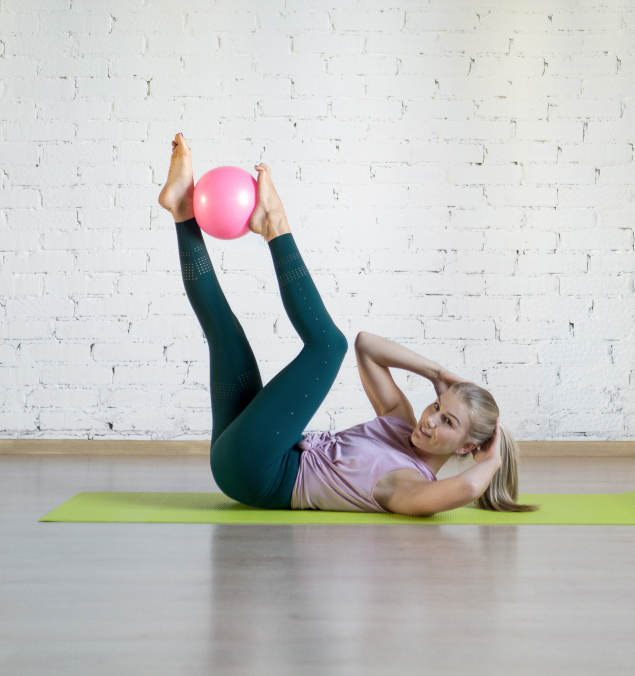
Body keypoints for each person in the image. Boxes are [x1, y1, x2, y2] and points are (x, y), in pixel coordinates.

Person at [158, 134, 536, 516]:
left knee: (328, 347)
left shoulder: (408, 484)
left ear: (465, 447)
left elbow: (469, 485)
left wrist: (492, 460)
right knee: (224, 331)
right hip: (255, 452)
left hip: (260, 472)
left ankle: (275, 224)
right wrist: (435, 372)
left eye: (447, 421)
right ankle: (182, 210)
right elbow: (367, 346)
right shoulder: (399, 423)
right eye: (437, 406)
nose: (429, 420)